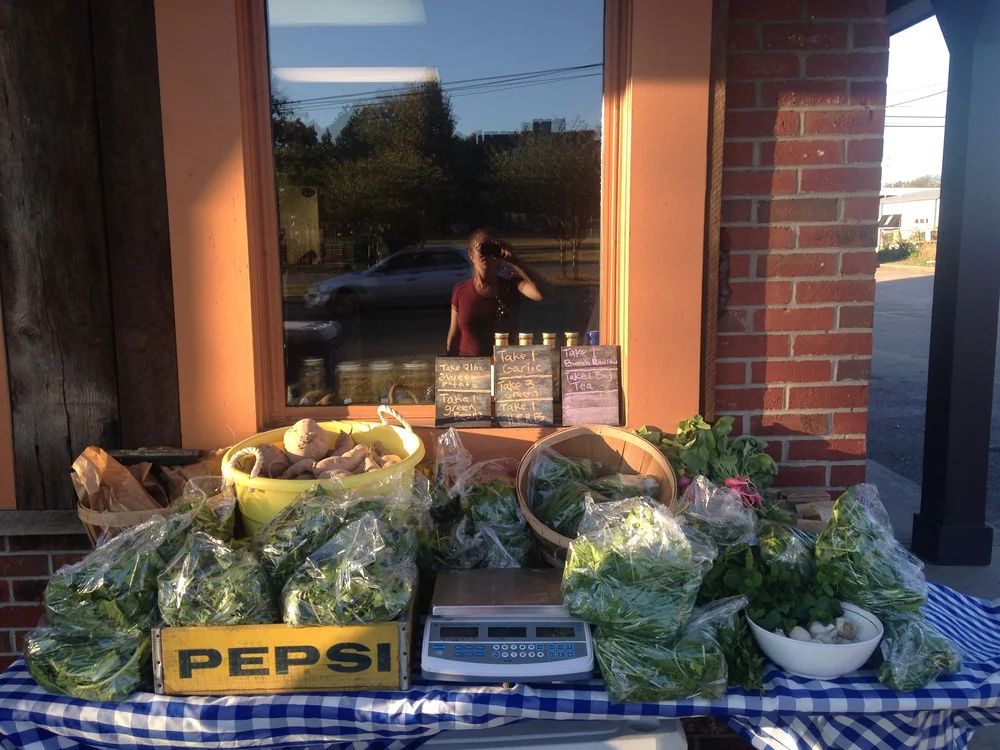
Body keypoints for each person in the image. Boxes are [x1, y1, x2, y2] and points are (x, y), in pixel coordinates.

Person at [447, 229, 549, 357]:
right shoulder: (461, 290)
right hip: (470, 369)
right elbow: (454, 335)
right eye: (483, 249)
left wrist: (515, 261)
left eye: (492, 250)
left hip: (503, 368)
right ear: (471, 255)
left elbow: (542, 294)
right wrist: (448, 367)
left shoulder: (510, 285)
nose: (488, 255)